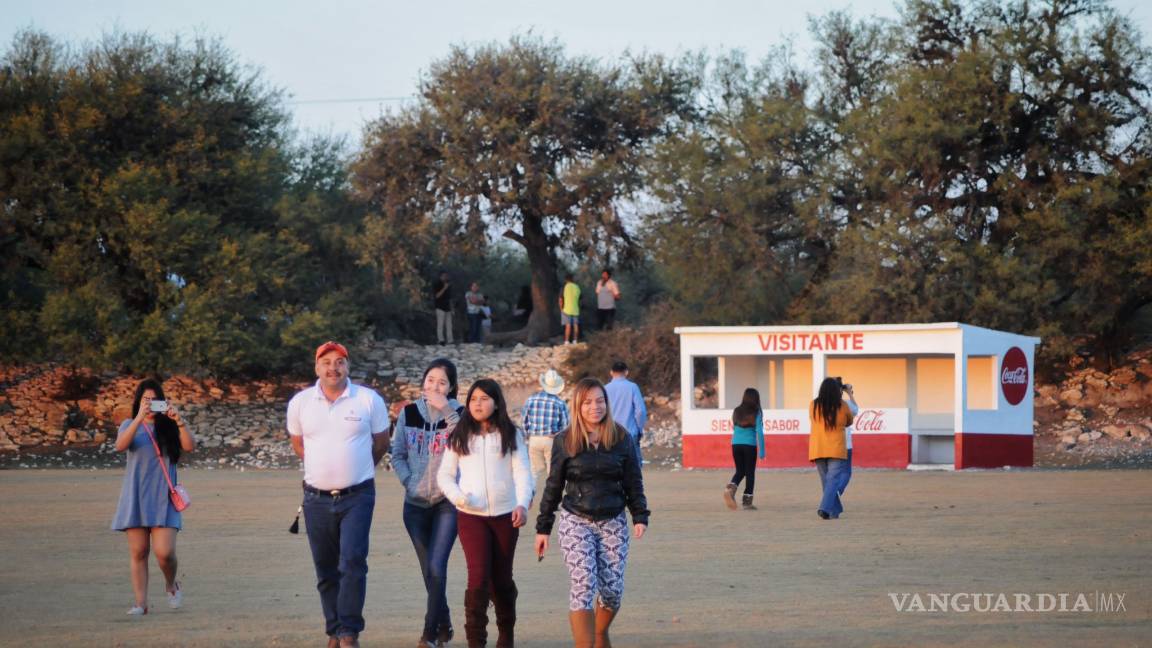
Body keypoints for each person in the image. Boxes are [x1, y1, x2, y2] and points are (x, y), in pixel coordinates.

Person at [287, 341, 391, 648]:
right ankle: (333, 630)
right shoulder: (300, 403)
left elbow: (381, 443)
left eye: (340, 362)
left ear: (348, 366)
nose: (333, 368)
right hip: (315, 499)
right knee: (326, 568)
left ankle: (348, 633)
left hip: (357, 496)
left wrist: (356, 470)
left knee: (353, 562)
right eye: (326, 362)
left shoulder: (368, 400)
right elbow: (299, 446)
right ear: (316, 367)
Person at [535, 377, 649, 648]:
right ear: (578, 406)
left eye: (599, 401)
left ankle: (600, 634)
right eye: (587, 402)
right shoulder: (565, 440)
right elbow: (554, 485)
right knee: (584, 583)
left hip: (613, 522)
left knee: (612, 592)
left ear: (607, 404)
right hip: (575, 520)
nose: (594, 407)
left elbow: (634, 480)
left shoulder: (622, 437)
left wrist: (640, 515)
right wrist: (543, 527)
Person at [437, 379, 533, 648]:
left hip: (506, 516)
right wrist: (459, 497)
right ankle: (476, 641)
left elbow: (524, 473)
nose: (478, 404)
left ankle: (506, 634)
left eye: (484, 398)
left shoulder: (511, 434)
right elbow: (444, 476)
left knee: (501, 580)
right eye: (474, 399)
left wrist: (522, 504)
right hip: (470, 516)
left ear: (496, 402)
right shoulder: (459, 435)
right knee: (477, 577)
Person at [391, 358, 465, 647]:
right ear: (423, 382)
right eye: (431, 380)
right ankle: (444, 621)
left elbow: (465, 443)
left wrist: (446, 408)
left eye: (442, 382)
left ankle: (429, 634)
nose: (435, 386)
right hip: (414, 505)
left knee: (437, 566)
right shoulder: (408, 413)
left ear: (451, 388)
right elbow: (397, 454)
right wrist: (410, 482)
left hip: (448, 503)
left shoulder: (459, 412)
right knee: (429, 571)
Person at [112, 378, 197, 616]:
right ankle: (141, 604)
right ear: (139, 401)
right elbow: (120, 446)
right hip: (136, 496)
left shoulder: (169, 426)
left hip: (164, 498)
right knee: (138, 552)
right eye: (145, 399)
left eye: (154, 400)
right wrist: (139, 418)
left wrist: (179, 420)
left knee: (164, 553)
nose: (150, 404)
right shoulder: (130, 424)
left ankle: (171, 585)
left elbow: (190, 447)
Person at [809, 377, 854, 520]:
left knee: (826, 481)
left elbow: (813, 419)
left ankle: (833, 511)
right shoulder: (843, 405)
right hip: (836, 448)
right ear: (837, 391)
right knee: (833, 480)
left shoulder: (813, 405)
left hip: (818, 448)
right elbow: (849, 421)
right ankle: (825, 509)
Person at [521, 369, 570, 496]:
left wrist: (527, 434)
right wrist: (558, 434)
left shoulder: (531, 400)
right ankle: (552, 498)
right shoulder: (560, 402)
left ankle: (529, 495)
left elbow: (524, 420)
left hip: (534, 439)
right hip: (551, 439)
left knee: (534, 471)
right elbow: (565, 425)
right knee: (552, 470)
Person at [723, 388, 766, 511]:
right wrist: (762, 451)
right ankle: (747, 502)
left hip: (735, 444)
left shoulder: (737, 411)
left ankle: (730, 489)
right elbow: (759, 432)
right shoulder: (757, 412)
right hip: (749, 445)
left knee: (740, 471)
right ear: (756, 398)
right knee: (750, 473)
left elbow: (734, 428)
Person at [604, 361, 648, 461]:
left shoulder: (605, 389)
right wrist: (639, 428)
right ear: (626, 372)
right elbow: (640, 411)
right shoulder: (633, 387)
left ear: (611, 372)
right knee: (634, 467)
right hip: (630, 433)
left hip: (611, 434)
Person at [841, 381, 859, 503]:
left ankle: (830, 494)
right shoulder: (845, 404)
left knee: (831, 475)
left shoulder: (820, 404)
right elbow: (856, 410)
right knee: (846, 472)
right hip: (845, 444)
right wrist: (850, 393)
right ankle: (836, 491)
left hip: (827, 445)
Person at [559, 273, 581, 345]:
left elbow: (561, 299)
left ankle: (567, 341)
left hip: (566, 309)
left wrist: (561, 308)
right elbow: (580, 299)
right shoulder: (577, 287)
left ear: (566, 279)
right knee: (575, 325)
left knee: (568, 326)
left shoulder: (564, 287)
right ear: (572, 279)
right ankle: (575, 340)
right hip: (575, 309)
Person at [433, 271, 454, 345]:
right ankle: (441, 340)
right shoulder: (437, 284)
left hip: (447, 307)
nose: (445, 277)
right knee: (440, 325)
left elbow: (450, 298)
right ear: (441, 276)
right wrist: (444, 288)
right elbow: (437, 296)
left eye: (446, 276)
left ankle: (450, 340)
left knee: (449, 325)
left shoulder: (448, 284)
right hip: (439, 307)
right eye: (444, 276)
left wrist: (452, 309)